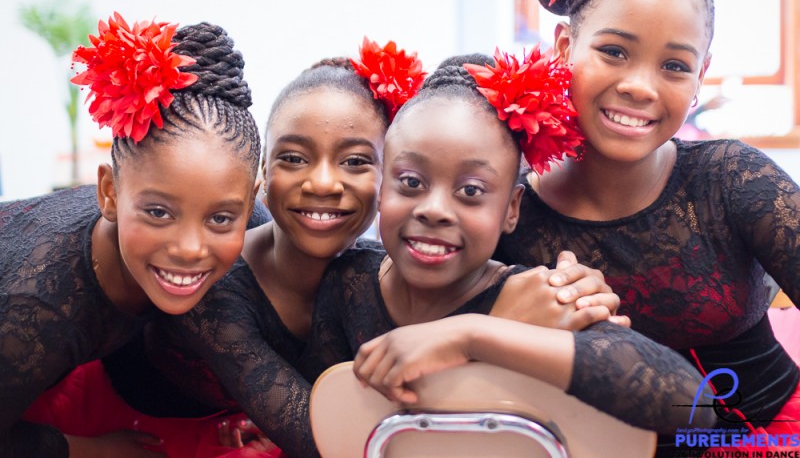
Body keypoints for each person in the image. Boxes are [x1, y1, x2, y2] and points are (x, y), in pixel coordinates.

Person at [134, 41, 620, 458]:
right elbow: (325, 431)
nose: (323, 182)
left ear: (385, 177)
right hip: (147, 424)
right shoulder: (219, 283)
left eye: (355, 161)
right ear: (262, 172)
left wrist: (568, 288)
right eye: (293, 157)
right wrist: (488, 331)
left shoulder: (385, 260)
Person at [491, 0, 800, 454]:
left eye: (675, 66)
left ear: (700, 76)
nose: (640, 85)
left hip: (767, 439)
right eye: (614, 51)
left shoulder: (733, 179)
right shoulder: (504, 204)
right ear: (565, 46)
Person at [298, 50, 717, 436]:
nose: (435, 210)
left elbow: (691, 405)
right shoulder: (347, 281)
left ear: (511, 209)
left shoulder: (544, 301)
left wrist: (470, 336)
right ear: (381, 186)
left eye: (471, 191)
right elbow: (328, 416)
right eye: (410, 182)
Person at [0, 13, 263, 457]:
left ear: (250, 203)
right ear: (110, 193)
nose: (189, 248)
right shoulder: (38, 311)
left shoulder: (245, 218)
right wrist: (92, 450)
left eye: (220, 220)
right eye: (159, 212)